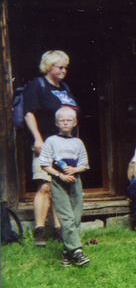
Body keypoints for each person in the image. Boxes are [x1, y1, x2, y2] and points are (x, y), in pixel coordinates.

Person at [22, 50, 76, 246]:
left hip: (66, 145)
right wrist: (37, 139)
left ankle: (59, 229)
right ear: (48, 67)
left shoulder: (64, 87)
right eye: (60, 67)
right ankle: (39, 230)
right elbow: (28, 113)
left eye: (65, 67)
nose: (64, 70)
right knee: (45, 185)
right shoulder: (37, 85)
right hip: (46, 143)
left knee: (61, 187)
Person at [38, 107, 90, 267]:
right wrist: (59, 175)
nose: (65, 122)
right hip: (59, 182)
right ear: (56, 122)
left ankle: (67, 254)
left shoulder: (78, 142)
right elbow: (44, 164)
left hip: (75, 180)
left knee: (75, 216)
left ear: (75, 123)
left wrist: (75, 170)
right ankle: (78, 252)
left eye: (69, 120)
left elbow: (84, 164)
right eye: (62, 120)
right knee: (66, 216)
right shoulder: (51, 141)